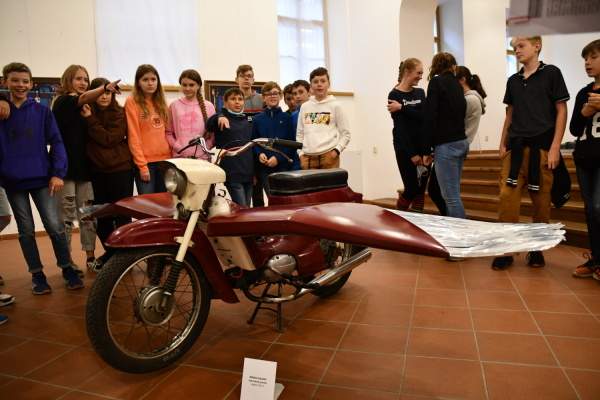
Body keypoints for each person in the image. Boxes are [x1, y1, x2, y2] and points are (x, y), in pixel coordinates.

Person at [0, 62, 85, 294]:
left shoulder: (42, 112)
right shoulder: (2, 111)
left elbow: (57, 142)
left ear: (31, 84)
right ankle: (37, 275)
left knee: (55, 226)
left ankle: (67, 269)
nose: (20, 85)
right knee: (26, 230)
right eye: (15, 80)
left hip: (42, 178)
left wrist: (58, 173)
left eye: (25, 81)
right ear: (5, 82)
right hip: (13, 182)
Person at [491, 36, 569, 270]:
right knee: (507, 198)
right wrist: (502, 142)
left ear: (537, 46)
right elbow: (510, 113)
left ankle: (536, 250)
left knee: (541, 203)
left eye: (521, 46)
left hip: (542, 150)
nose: (517, 50)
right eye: (514, 47)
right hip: (515, 148)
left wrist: (555, 147)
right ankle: (506, 250)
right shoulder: (513, 80)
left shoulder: (552, 73)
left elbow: (561, 110)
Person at [53, 65, 118, 271]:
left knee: (88, 216)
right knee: (66, 219)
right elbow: (80, 98)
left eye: (85, 79)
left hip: (84, 169)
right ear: (68, 80)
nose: (82, 82)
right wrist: (105, 87)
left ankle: (90, 258)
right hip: (64, 170)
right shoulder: (63, 101)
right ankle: (66, 263)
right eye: (78, 78)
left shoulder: (86, 107)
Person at [81, 77, 134, 271]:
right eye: (100, 92)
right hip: (97, 172)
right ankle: (115, 255)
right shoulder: (84, 111)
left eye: (108, 92)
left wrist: (90, 120)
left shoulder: (119, 112)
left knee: (122, 216)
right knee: (102, 217)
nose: (104, 96)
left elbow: (110, 139)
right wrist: (89, 118)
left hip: (121, 170)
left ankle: (119, 257)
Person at [422, 52, 468, 219]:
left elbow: (430, 116)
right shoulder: (457, 84)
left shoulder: (436, 82)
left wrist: (426, 149)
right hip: (461, 142)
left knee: (451, 198)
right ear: (453, 66)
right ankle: (455, 230)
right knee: (452, 194)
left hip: (446, 145)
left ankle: (461, 233)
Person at [570, 39, 600, 279]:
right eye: (585, 59)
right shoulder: (583, 92)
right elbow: (574, 128)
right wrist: (585, 112)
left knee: (599, 207)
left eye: (593, 57)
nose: (587, 63)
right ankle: (596, 260)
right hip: (584, 158)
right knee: (590, 211)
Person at [387, 58, 427, 212]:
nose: (421, 77)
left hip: (422, 146)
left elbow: (424, 117)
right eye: (419, 73)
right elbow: (400, 127)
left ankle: (419, 221)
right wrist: (412, 154)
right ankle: (398, 216)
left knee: (420, 192)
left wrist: (402, 108)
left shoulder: (420, 92)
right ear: (407, 72)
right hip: (405, 148)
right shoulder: (394, 94)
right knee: (411, 188)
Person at [125, 64, 171, 194]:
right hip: (145, 163)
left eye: (153, 79)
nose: (150, 83)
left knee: (165, 202)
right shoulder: (132, 102)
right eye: (145, 79)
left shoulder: (161, 102)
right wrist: (142, 165)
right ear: (138, 83)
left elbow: (167, 132)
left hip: (165, 161)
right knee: (148, 203)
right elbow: (133, 135)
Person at [206, 88, 254, 206]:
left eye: (240, 99)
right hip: (232, 173)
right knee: (242, 208)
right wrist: (219, 116)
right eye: (233, 99)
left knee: (247, 208)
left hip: (248, 172)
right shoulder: (222, 118)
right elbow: (209, 125)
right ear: (225, 102)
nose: (237, 102)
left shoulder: (247, 121)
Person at [297, 67, 351, 170]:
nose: (319, 84)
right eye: (315, 81)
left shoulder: (336, 106)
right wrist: (301, 154)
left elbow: (346, 134)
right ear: (311, 85)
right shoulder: (305, 107)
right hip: (307, 159)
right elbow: (299, 133)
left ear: (328, 84)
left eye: (323, 81)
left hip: (329, 157)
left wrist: (336, 151)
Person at [252, 82, 299, 195]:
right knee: (272, 199)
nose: (272, 96)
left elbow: (292, 144)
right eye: (268, 94)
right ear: (263, 97)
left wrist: (278, 158)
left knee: (285, 199)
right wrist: (259, 154)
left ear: (280, 96)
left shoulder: (287, 118)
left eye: (275, 93)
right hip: (265, 168)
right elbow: (254, 141)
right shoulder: (257, 119)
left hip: (284, 166)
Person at [166, 69, 216, 160]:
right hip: (180, 157)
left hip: (202, 158)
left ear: (198, 86)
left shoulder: (209, 106)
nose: (187, 88)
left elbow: (213, 134)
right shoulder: (174, 105)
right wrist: (177, 147)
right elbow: (168, 132)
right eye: (184, 85)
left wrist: (205, 148)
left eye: (191, 85)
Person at [456, 66, 487, 145]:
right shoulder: (467, 98)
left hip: (459, 144)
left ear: (462, 80)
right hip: (460, 144)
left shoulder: (470, 99)